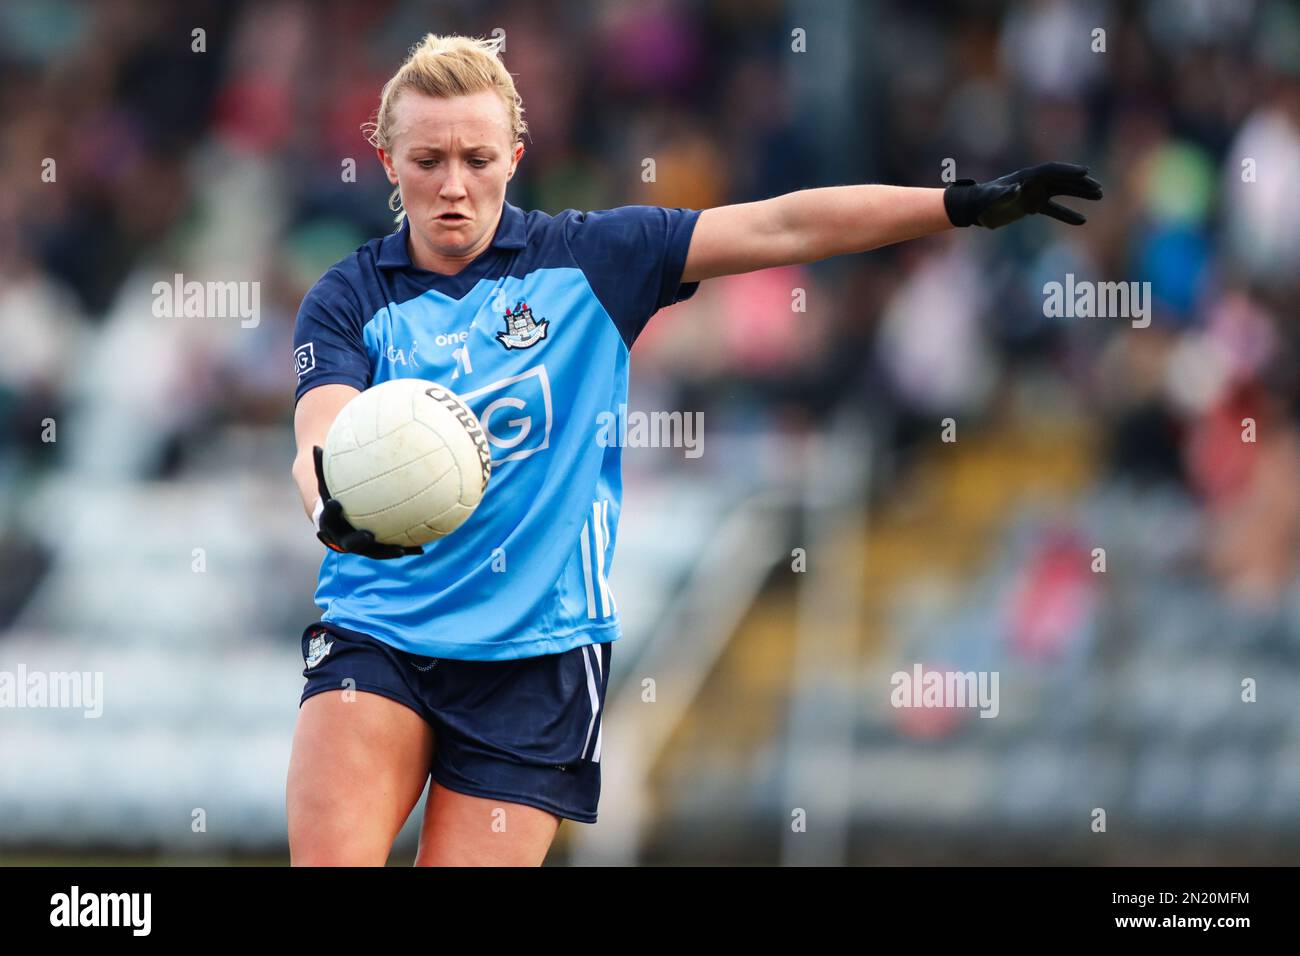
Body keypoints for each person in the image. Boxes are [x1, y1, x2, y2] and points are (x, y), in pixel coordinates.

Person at [286, 32, 1102, 866]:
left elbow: (784, 226)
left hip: (535, 665)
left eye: (476, 157)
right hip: (380, 634)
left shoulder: (593, 259)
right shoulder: (351, 297)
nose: (454, 185)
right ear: (385, 159)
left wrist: (955, 206)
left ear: (516, 156)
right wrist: (333, 506)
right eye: (426, 160)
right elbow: (321, 429)